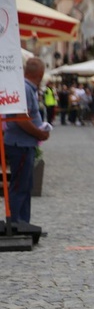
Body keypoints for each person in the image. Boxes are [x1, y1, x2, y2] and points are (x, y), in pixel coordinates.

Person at [3, 58, 51, 224]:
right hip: (20, 144)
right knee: (19, 186)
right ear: (40, 74)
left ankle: (23, 222)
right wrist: (39, 132)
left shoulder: (27, 88)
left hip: (24, 143)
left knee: (25, 185)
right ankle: (16, 223)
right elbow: (20, 119)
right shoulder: (24, 88)